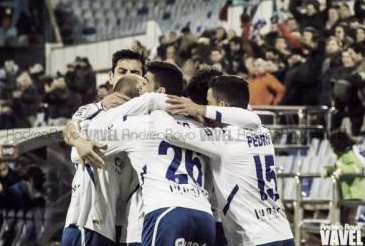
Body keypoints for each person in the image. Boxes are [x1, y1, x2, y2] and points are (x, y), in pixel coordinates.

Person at [78, 62, 216, 246]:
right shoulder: (199, 125)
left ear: (159, 91)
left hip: (166, 212)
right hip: (205, 218)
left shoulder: (138, 125)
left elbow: (80, 152)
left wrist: (83, 128)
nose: (140, 87)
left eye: (145, 82)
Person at [151, 75, 294, 246]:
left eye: (208, 104)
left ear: (222, 106)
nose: (204, 108)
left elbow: (170, 132)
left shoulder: (224, 139)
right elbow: (248, 116)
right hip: (283, 233)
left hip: (255, 238)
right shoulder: (262, 131)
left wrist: (154, 104)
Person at [63, 49, 147, 246]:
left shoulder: (149, 117)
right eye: (122, 71)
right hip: (92, 221)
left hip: (126, 225)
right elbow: (69, 129)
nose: (128, 76)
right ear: (111, 77)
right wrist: (80, 142)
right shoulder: (94, 111)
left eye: (135, 72)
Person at [322, 130, 365, 225]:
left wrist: (342, 170)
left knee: (350, 218)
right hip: (345, 194)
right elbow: (336, 167)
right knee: (342, 219)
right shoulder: (340, 157)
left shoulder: (350, 155)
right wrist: (327, 169)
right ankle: (345, 239)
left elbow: (356, 168)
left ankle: (354, 239)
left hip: (354, 194)